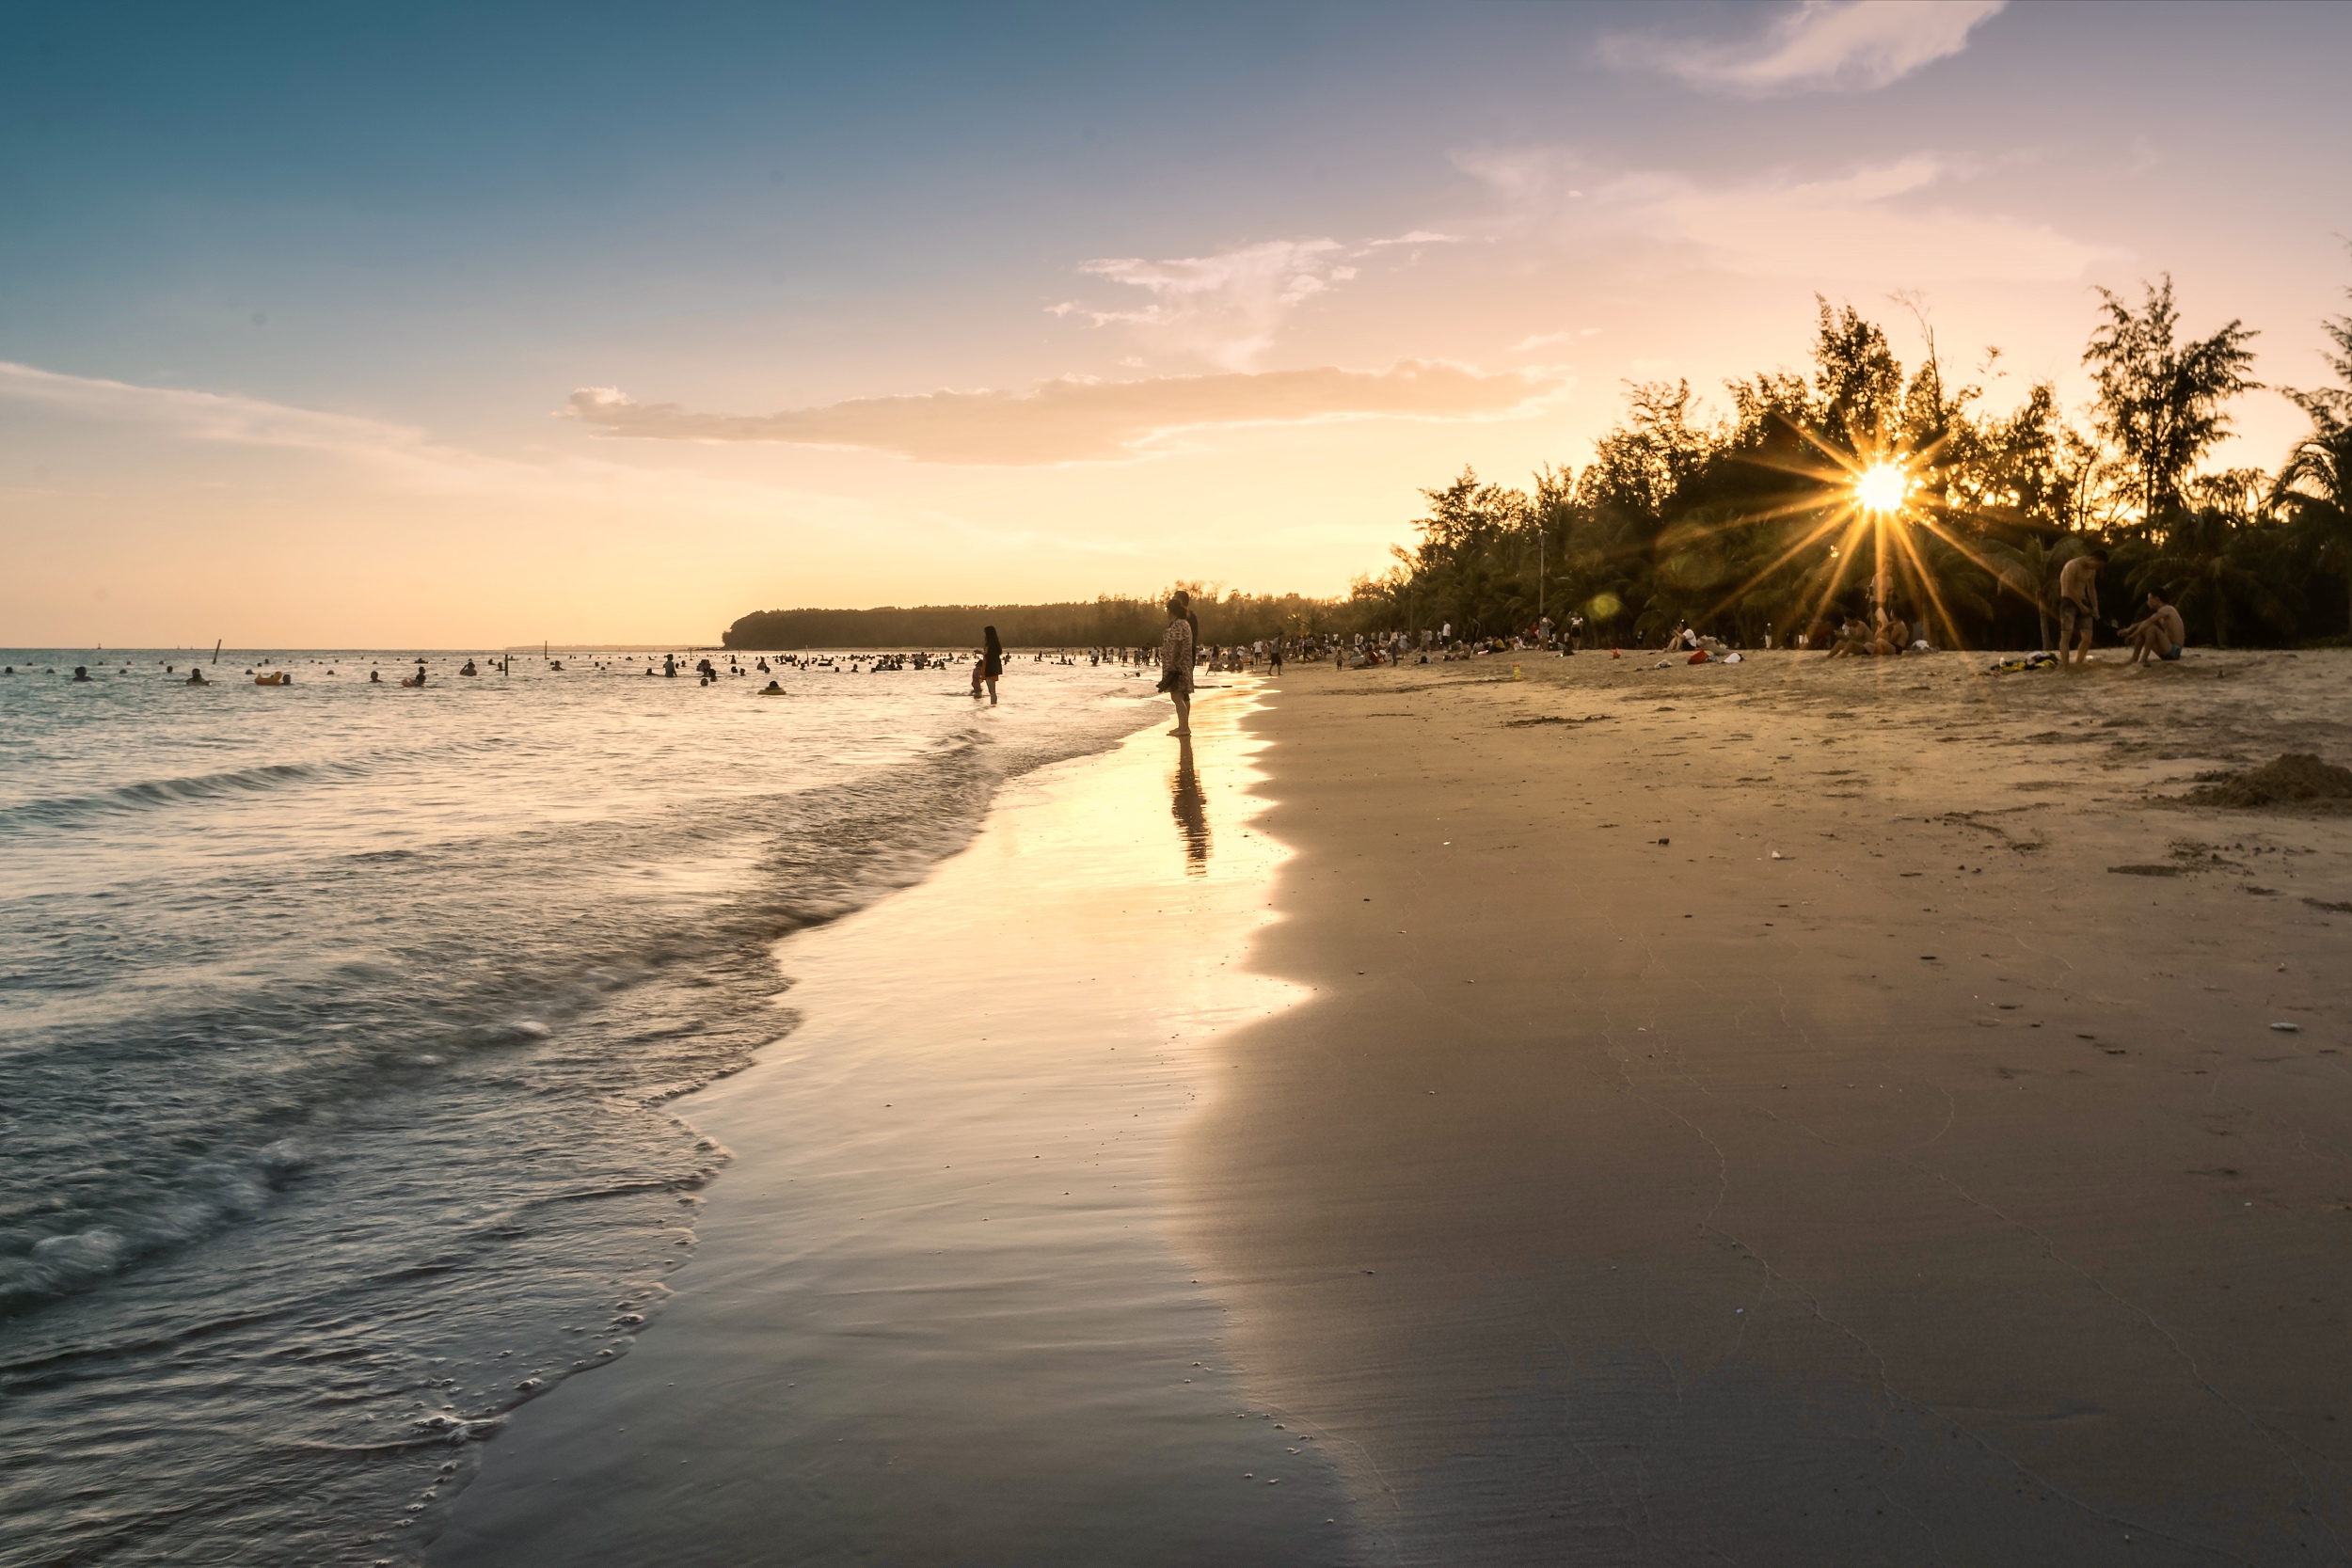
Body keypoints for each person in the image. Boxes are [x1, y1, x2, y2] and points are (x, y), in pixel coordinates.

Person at [2057, 548, 2107, 666]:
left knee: (2088, 637)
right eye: (2097, 565)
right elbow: (2069, 588)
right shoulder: (2072, 566)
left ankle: (2078, 662)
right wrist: (2081, 606)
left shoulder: (2091, 571)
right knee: (2066, 635)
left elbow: (2091, 589)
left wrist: (2095, 607)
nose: (2097, 568)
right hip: (2068, 601)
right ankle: (2066, 665)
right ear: (2092, 558)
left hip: (2083, 600)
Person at [1158, 592, 1195, 736]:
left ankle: (1184, 728)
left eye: (1167, 610)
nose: (1166, 613)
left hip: (1177, 666)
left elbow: (1178, 645)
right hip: (1182, 665)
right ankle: (1182, 726)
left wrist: (1173, 663)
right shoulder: (1183, 623)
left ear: (1171, 611)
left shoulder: (1179, 624)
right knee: (1181, 696)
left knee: (1177, 697)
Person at [2123, 589, 2186, 666]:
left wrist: (2132, 636)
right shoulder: (2159, 614)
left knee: (2151, 628)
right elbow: (2142, 623)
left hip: (2174, 651)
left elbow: (2148, 622)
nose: (2148, 602)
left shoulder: (2168, 609)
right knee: (2143, 630)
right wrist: (2128, 629)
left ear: (2156, 600)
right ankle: (2134, 658)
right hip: (2166, 650)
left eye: (2149, 599)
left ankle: (2144, 659)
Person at [971, 626, 1004, 704]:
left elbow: (989, 657)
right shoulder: (993, 644)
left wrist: (981, 652)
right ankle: (993, 706)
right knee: (992, 690)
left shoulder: (992, 645)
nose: (984, 635)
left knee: (992, 691)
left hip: (990, 669)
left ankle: (993, 706)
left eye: (985, 633)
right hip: (990, 669)